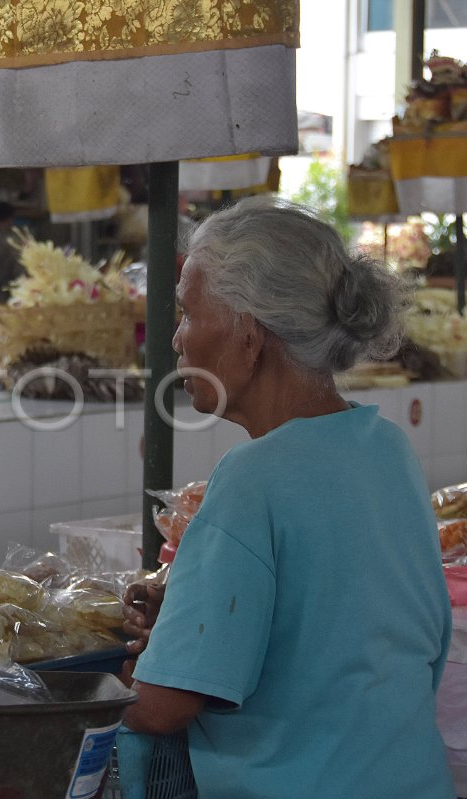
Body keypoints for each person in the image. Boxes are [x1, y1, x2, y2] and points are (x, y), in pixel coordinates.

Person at [120, 196, 454, 797]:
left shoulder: (253, 478)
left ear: (249, 335)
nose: (177, 340)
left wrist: (81, 683)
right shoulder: (386, 449)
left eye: (188, 315)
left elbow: (165, 706)